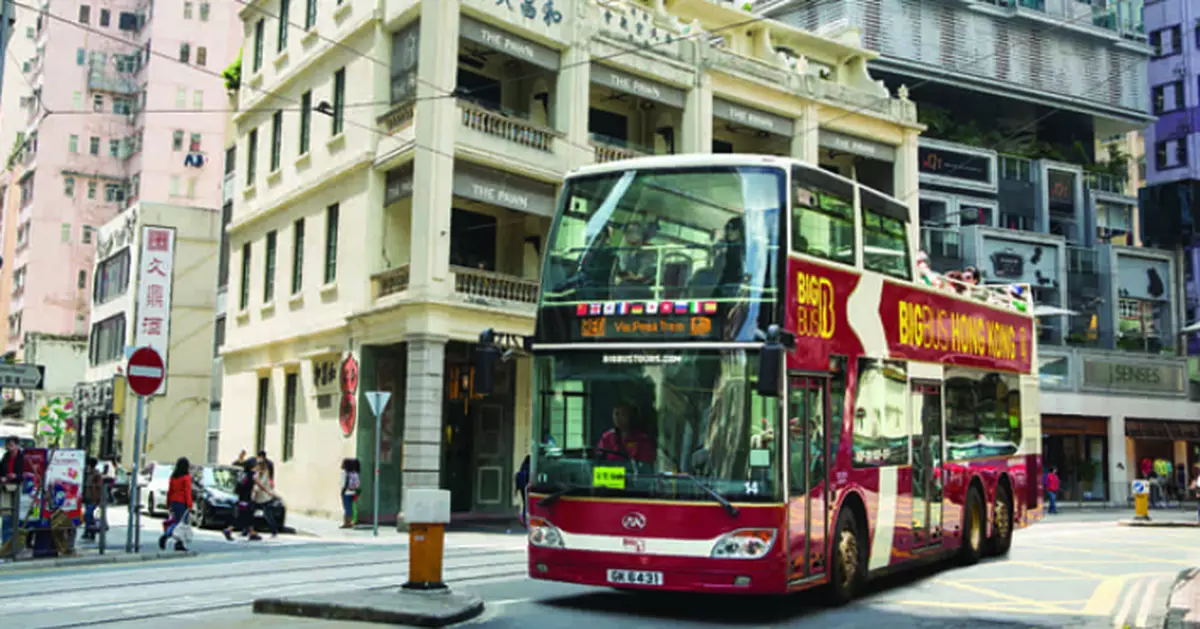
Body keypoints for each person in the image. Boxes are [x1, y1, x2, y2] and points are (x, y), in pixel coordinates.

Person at [159, 457, 193, 551]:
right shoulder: (186, 478)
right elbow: (187, 492)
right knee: (182, 524)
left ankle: (168, 536)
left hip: (174, 502)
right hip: (182, 503)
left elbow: (170, 491)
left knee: (176, 522)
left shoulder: (173, 477)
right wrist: (190, 505)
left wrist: (168, 503)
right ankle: (177, 542)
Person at [223, 460, 261, 542]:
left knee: (247, 516)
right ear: (252, 466)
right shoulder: (252, 475)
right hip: (247, 499)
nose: (258, 467)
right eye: (256, 465)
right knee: (244, 517)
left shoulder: (242, 474)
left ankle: (252, 533)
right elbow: (257, 485)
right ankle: (228, 530)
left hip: (241, 498)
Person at [251, 459, 279, 538]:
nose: (258, 467)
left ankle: (274, 531)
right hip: (257, 498)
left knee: (268, 515)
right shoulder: (257, 474)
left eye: (260, 466)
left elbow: (261, 485)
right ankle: (247, 531)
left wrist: (266, 492)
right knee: (250, 514)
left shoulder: (266, 474)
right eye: (258, 466)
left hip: (265, 498)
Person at [82, 457, 103, 542]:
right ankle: (88, 532)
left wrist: (97, 498)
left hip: (93, 498)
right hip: (88, 498)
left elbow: (99, 487)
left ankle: (91, 531)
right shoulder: (88, 474)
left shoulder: (96, 475)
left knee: (88, 515)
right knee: (88, 515)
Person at [340, 458, 360, 529]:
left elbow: (342, 483)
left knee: (347, 508)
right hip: (353, 492)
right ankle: (351, 521)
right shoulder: (355, 473)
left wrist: (342, 490)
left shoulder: (344, 473)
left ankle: (346, 523)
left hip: (346, 492)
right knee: (352, 507)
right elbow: (357, 484)